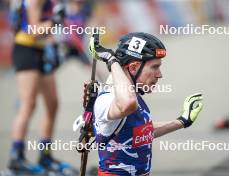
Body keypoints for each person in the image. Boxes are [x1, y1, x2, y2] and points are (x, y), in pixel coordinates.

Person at [85, 32, 204, 175]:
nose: (160, 74)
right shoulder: (108, 99)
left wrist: (182, 121)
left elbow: (140, 132)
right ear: (133, 67)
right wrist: (112, 61)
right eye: (154, 67)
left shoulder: (134, 94)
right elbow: (128, 104)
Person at [9, 0, 76, 175]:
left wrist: (56, 44)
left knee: (53, 104)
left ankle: (45, 155)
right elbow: (34, 31)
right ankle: (16, 157)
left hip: (42, 50)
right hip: (26, 49)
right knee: (28, 104)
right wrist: (54, 21)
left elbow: (46, 31)